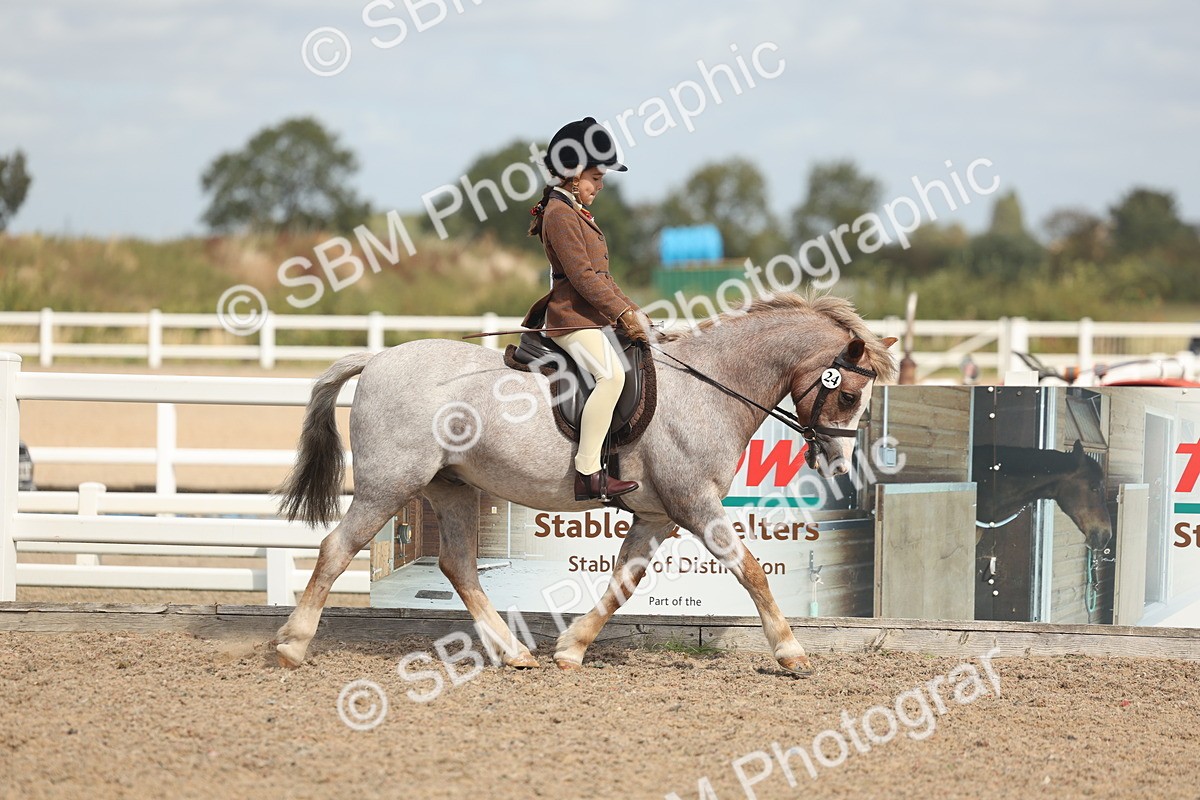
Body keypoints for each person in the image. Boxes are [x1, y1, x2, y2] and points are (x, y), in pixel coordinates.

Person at [523, 117, 648, 502]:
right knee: (611, 376)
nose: (601, 185)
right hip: (571, 320)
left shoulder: (573, 209)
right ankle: (588, 473)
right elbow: (582, 277)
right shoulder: (559, 213)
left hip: (589, 317)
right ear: (574, 175)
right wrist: (622, 315)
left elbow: (603, 277)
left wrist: (633, 311)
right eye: (596, 177)